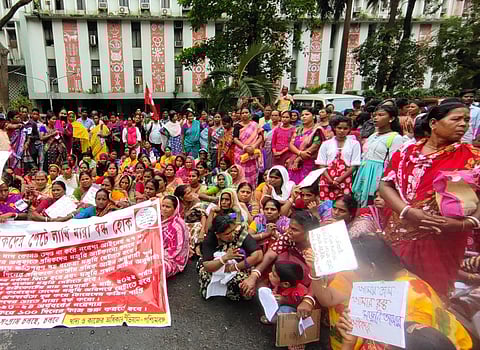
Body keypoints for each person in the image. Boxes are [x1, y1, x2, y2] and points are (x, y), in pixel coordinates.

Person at [380, 102, 480, 297]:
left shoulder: (473, 157)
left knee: (431, 294)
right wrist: (407, 212)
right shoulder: (407, 153)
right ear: (434, 123)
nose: (463, 124)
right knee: (394, 289)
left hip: (442, 238)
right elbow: (385, 185)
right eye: (456, 119)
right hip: (399, 233)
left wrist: (465, 223)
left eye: (466, 120)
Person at [333, 236, 472, 350]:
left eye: (355, 266)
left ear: (372, 268)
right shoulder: (399, 279)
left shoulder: (406, 298)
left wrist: (350, 343)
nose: (352, 271)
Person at [198, 214, 263, 301]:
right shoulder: (210, 239)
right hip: (216, 267)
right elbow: (207, 266)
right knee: (202, 267)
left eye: (233, 230)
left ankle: (233, 289)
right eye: (227, 234)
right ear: (218, 235)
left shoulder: (240, 233)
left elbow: (258, 255)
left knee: (244, 286)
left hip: (239, 266)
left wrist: (233, 267)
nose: (232, 235)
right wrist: (225, 258)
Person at [352, 104, 404, 207]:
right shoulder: (373, 135)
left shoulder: (395, 138)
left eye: (381, 115)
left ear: (391, 118)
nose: (376, 118)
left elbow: (393, 163)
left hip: (378, 174)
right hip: (364, 172)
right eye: (375, 115)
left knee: (372, 203)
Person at [316, 115, 361, 201]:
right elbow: (321, 163)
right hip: (327, 178)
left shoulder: (354, 144)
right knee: (326, 205)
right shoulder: (326, 144)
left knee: (343, 204)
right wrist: (330, 180)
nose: (342, 131)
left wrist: (339, 180)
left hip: (345, 179)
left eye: (345, 128)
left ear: (349, 129)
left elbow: (354, 165)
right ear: (334, 128)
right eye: (339, 128)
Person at [288, 108, 325, 184]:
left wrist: (299, 158)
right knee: (293, 185)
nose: (304, 117)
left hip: (309, 162)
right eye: (302, 115)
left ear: (314, 116)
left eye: (307, 114)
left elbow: (315, 146)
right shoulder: (298, 129)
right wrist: (300, 153)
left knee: (306, 185)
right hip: (294, 161)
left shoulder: (316, 130)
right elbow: (291, 144)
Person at [233, 108, 264, 185]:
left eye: (246, 112)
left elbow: (260, 137)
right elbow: (235, 139)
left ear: (250, 114)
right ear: (240, 115)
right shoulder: (237, 126)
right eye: (242, 113)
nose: (244, 114)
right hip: (240, 153)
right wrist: (245, 147)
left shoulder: (255, 125)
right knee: (240, 172)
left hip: (253, 152)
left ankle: (251, 190)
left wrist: (253, 146)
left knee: (252, 174)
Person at [161, 195, 189, 278]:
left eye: (168, 207)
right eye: (163, 206)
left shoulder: (178, 226)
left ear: (175, 208)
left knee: (153, 269)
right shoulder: (158, 219)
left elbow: (177, 249)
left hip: (171, 260)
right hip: (156, 252)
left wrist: (157, 256)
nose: (164, 209)